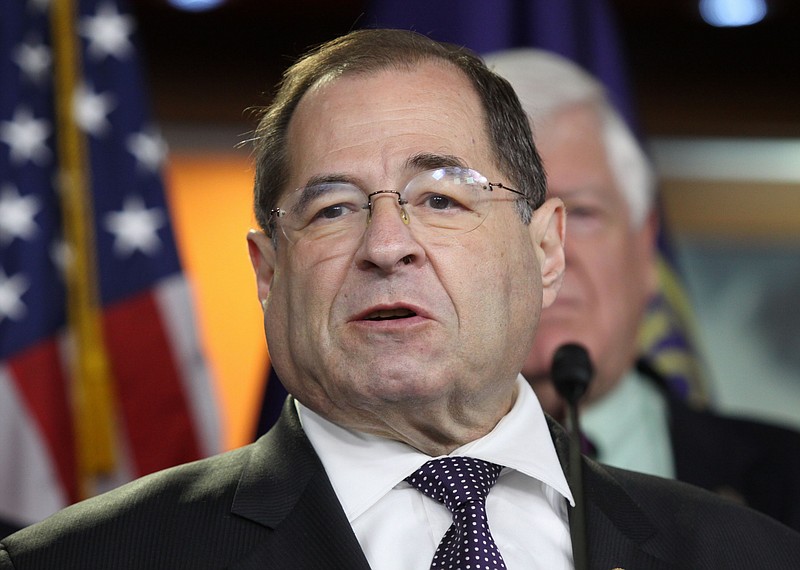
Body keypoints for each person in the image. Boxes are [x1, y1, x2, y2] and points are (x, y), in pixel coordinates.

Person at [2, 29, 799, 569]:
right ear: (269, 271)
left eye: (443, 198)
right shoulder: (84, 561)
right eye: (333, 208)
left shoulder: (752, 555)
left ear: (545, 248)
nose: (388, 246)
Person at [485, 48, 800, 531]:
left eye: (583, 214)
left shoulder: (785, 480)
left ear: (646, 248)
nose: (545, 252)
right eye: (512, 215)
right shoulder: (357, 490)